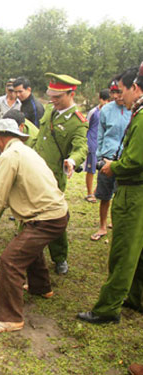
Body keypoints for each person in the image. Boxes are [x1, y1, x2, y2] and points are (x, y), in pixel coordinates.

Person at [0, 119, 68, 333]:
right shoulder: (25, 152)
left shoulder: (9, 156)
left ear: (1, 138)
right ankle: (42, 288)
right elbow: (3, 192)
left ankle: (11, 318)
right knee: (29, 247)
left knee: (11, 260)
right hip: (55, 214)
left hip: (45, 218)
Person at [77, 64, 143, 324]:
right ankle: (136, 298)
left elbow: (135, 160)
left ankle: (107, 309)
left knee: (124, 252)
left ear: (135, 88)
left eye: (123, 91)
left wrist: (113, 166)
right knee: (139, 254)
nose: (120, 97)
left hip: (134, 194)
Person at [33, 73, 88, 275]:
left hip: (53, 177)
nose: (53, 100)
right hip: (35, 170)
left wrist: (72, 161)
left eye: (58, 97)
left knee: (54, 217)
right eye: (51, 95)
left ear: (71, 94)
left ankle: (59, 257)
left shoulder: (78, 121)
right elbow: (41, 137)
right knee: (29, 211)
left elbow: (82, 148)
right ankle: (29, 251)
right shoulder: (50, 109)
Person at [90, 81, 131, 241]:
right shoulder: (106, 110)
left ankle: (117, 223)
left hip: (124, 160)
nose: (116, 96)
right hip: (107, 158)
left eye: (119, 92)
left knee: (121, 195)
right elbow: (100, 134)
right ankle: (102, 226)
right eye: (113, 93)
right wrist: (100, 156)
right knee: (104, 195)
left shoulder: (132, 109)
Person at [84, 88, 111, 203]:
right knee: (90, 169)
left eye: (108, 100)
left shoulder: (110, 113)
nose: (106, 103)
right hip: (92, 144)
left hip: (104, 146)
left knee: (103, 169)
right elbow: (85, 126)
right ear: (100, 99)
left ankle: (96, 192)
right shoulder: (93, 112)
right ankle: (90, 193)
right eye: (104, 100)